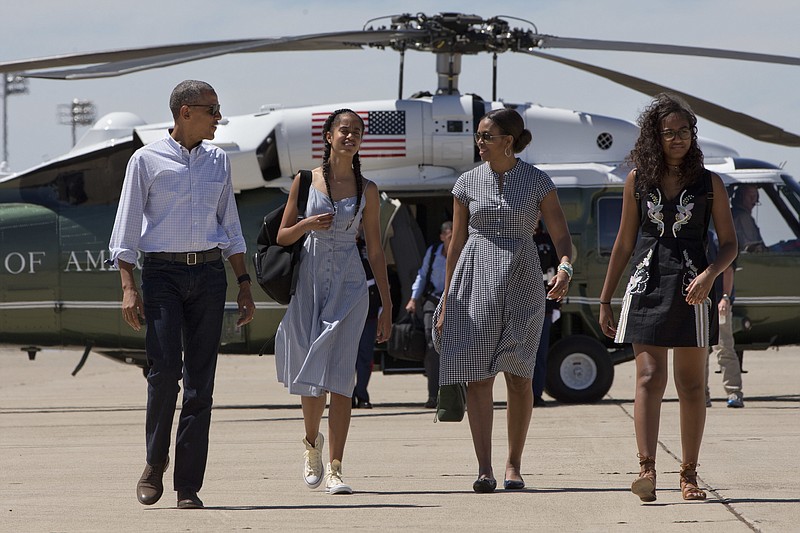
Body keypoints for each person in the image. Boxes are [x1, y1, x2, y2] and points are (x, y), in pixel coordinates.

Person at [109, 80, 255, 509]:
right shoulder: (146, 160)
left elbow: (230, 226)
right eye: (213, 110)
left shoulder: (219, 161)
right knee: (163, 371)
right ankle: (155, 462)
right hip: (162, 277)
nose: (218, 118)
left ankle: (188, 486)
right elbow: (126, 226)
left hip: (210, 275)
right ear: (186, 111)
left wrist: (244, 285)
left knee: (200, 383)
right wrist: (128, 287)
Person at [598, 93, 737, 503]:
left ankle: (689, 475)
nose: (678, 139)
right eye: (669, 133)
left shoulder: (710, 183)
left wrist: (711, 276)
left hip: (695, 287)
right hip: (647, 284)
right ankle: (646, 469)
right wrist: (606, 299)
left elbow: (729, 244)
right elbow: (624, 243)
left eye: (685, 132)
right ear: (653, 138)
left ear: (694, 135)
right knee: (648, 377)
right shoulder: (637, 181)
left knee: (692, 384)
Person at [434, 108, 573, 493]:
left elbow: (562, 237)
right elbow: (456, 244)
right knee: (479, 377)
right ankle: (484, 468)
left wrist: (565, 268)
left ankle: (514, 463)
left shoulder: (537, 181)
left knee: (518, 375)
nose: (479, 142)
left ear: (508, 141)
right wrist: (446, 299)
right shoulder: (466, 183)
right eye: (478, 136)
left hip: (523, 278)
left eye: (486, 136)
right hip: (475, 278)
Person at [274, 108, 392, 495]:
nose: (351, 136)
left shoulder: (368, 189)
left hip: (350, 285)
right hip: (309, 280)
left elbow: (375, 250)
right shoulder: (306, 180)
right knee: (311, 373)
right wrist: (307, 225)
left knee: (342, 379)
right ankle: (312, 446)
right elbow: (282, 237)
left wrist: (387, 305)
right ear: (328, 136)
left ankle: (337, 468)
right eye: (344, 130)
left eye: (357, 131)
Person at [405, 220, 453, 408]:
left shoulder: (463, 251)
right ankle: (433, 395)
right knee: (433, 345)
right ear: (442, 236)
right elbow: (422, 275)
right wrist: (413, 299)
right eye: (449, 236)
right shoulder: (433, 252)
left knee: (456, 348)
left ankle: (454, 394)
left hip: (456, 302)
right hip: (433, 300)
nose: (452, 239)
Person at [705, 230, 744, 408]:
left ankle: (734, 392)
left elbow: (728, 269)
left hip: (719, 302)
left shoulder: (714, 238)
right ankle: (701, 395)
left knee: (724, 348)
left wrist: (725, 298)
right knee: (699, 352)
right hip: (698, 302)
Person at [532, 221, 561, 407]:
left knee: (539, 353)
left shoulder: (547, 241)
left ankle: (535, 394)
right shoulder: (516, 237)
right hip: (516, 305)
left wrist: (556, 305)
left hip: (544, 305)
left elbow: (556, 272)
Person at [353, 228, 381, 409]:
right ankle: (345, 395)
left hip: (369, 308)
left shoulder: (368, 246)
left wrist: (382, 309)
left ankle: (362, 393)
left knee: (365, 355)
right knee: (346, 357)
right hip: (346, 308)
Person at [731, 184, 766, 252]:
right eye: (750, 196)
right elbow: (752, 249)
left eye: (754, 196)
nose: (753, 200)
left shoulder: (734, 214)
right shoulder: (742, 217)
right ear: (740, 197)